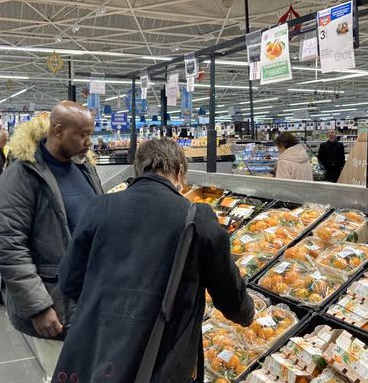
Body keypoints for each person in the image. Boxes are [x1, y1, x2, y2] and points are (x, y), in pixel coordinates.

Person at [53, 138, 255, 383]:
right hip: (165, 355)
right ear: (179, 171)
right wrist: (247, 314)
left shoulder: (99, 207)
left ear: (138, 169)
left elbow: (70, 281)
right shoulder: (196, 218)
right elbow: (229, 295)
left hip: (101, 347)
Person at [0, 101, 103, 383]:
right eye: (83, 134)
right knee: (60, 374)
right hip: (54, 302)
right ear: (59, 130)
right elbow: (8, 244)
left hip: (91, 301)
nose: (89, 142)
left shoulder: (84, 169)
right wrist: (38, 307)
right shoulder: (23, 174)